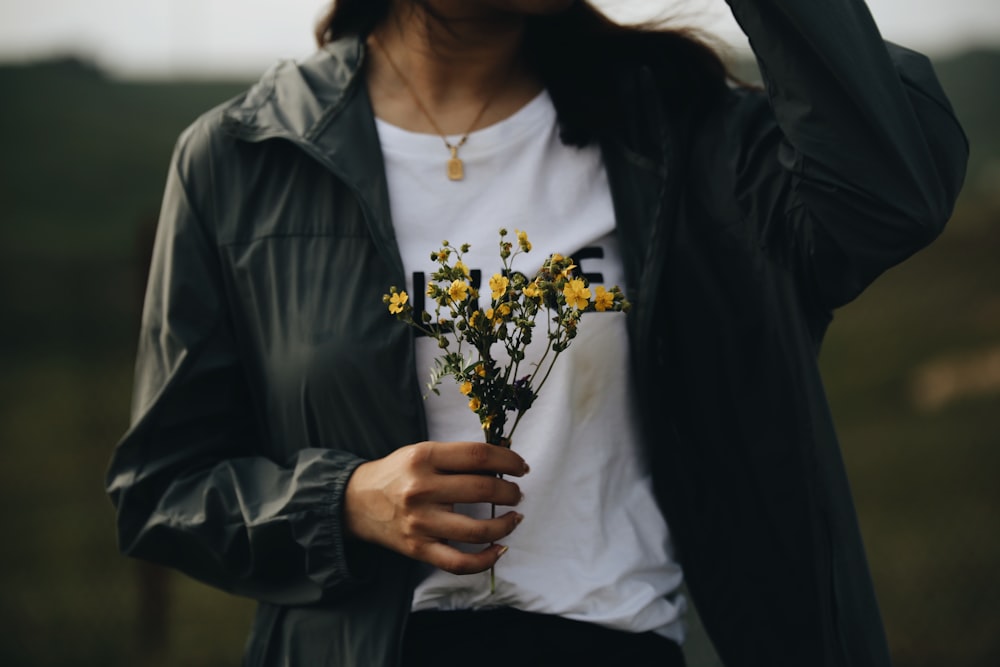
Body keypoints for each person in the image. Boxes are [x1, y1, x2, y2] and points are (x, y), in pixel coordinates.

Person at [104, 1, 967, 665]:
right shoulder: (243, 157)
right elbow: (163, 488)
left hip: (626, 641)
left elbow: (889, 196)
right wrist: (342, 501)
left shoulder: (678, 128)